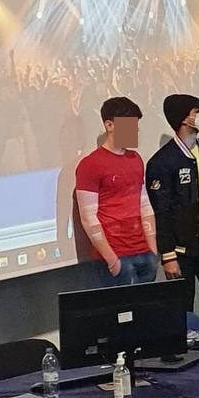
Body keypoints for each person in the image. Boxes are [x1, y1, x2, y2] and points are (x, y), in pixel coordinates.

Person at [146, 94, 199, 327]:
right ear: (184, 119)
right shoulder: (161, 163)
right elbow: (162, 212)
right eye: (197, 111)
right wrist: (168, 255)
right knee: (183, 310)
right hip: (182, 249)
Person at [74, 96, 158, 286]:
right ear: (109, 125)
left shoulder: (135, 159)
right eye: (130, 125)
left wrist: (152, 249)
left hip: (143, 252)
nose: (135, 130)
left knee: (148, 302)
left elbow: (144, 204)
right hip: (117, 256)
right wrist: (112, 259)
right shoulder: (90, 164)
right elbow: (88, 217)